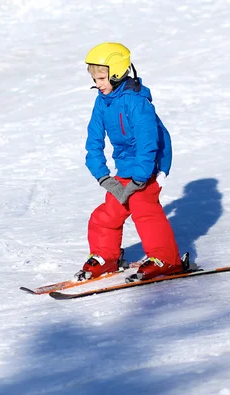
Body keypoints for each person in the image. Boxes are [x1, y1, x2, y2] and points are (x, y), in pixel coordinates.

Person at [76, 42, 188, 283]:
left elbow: (149, 143)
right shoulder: (102, 101)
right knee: (107, 214)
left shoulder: (137, 103)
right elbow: (93, 141)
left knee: (144, 209)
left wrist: (140, 178)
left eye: (102, 78)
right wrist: (104, 178)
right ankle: (106, 256)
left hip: (149, 167)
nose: (98, 84)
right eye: (95, 79)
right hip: (126, 170)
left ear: (117, 72)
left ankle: (166, 259)